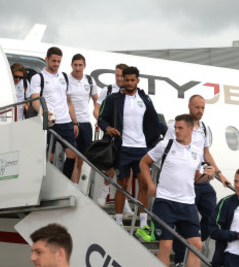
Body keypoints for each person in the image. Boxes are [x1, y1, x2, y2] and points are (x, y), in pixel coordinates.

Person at [139, 114, 214, 267]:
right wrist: (150, 184)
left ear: (190, 129)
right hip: (165, 201)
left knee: (196, 244)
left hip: (187, 203)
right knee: (166, 244)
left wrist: (207, 176)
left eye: (180, 128)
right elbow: (144, 162)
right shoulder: (166, 145)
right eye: (175, 127)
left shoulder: (197, 151)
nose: (176, 131)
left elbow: (196, 178)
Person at [164, 95, 230, 267]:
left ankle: (193, 243)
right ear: (189, 107)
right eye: (197, 107)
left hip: (201, 179)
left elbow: (206, 153)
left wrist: (219, 174)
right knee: (185, 220)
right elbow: (167, 149)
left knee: (212, 215)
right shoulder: (178, 126)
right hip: (185, 181)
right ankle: (179, 260)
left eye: (202, 108)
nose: (200, 111)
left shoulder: (204, 129)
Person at [98, 66, 167, 228]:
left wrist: (170, 135)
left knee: (143, 184)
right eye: (126, 80)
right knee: (122, 184)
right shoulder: (113, 99)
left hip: (142, 149)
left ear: (137, 80)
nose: (129, 83)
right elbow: (102, 119)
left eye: (132, 80)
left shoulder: (145, 99)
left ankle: (143, 223)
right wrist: (107, 128)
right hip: (123, 148)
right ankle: (119, 220)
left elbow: (155, 121)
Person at [30, 46, 79, 179]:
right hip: (50, 121)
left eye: (58, 61)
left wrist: (75, 122)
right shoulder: (38, 77)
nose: (56, 64)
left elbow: (69, 101)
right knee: (49, 156)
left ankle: (65, 182)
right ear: (47, 59)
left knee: (72, 154)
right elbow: (35, 101)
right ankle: (45, 183)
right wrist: (45, 114)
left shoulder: (64, 76)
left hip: (66, 122)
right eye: (53, 61)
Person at [94, 63, 127, 210]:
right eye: (117, 75)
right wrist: (104, 124)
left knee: (127, 169)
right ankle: (104, 192)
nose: (119, 78)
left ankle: (124, 200)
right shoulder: (107, 90)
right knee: (110, 164)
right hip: (110, 132)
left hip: (127, 135)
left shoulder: (132, 92)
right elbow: (97, 110)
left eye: (122, 75)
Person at [69, 53, 99, 183]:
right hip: (70, 122)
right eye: (75, 65)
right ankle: (69, 185)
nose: (77, 68)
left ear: (84, 66)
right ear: (71, 65)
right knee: (71, 156)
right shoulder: (66, 79)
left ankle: (75, 186)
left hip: (85, 123)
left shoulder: (90, 81)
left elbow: (96, 100)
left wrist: (99, 119)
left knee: (81, 158)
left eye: (80, 65)